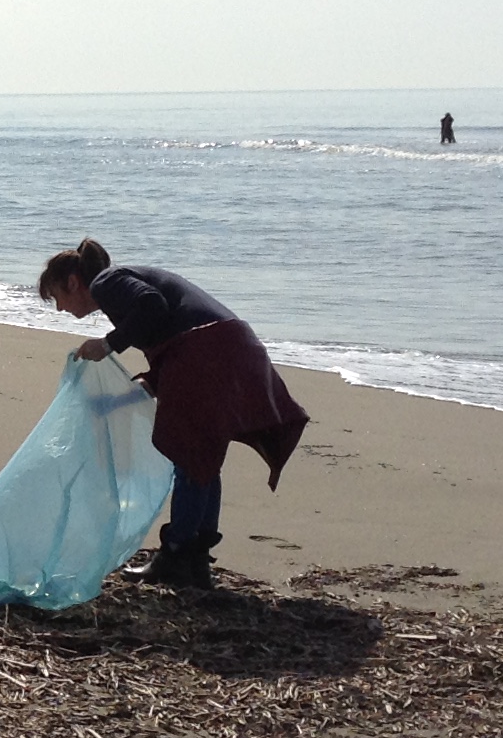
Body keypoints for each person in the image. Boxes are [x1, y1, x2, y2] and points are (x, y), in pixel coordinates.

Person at [39, 239, 308, 589]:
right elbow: (167, 335)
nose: (59, 308)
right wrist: (119, 400)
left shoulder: (107, 282)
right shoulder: (121, 289)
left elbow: (153, 306)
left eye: (56, 296)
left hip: (208, 350)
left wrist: (108, 344)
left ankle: (176, 554)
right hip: (234, 347)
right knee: (203, 460)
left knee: (188, 455)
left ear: (73, 282)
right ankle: (195, 560)